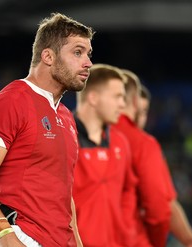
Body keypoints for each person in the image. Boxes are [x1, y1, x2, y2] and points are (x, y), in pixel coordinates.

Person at [0, 13, 94, 247]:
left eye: (88, 54)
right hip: (19, 237)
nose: (88, 63)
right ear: (48, 56)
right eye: (78, 52)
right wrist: (5, 235)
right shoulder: (11, 101)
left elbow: (61, 192)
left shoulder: (65, 116)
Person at [114, 69, 192, 247]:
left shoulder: (82, 134)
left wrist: (189, 239)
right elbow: (160, 208)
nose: (140, 118)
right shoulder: (143, 144)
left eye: (145, 112)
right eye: (140, 110)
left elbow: (168, 204)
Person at [72, 64, 137, 247]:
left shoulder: (120, 143)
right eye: (117, 97)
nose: (122, 104)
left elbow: (129, 190)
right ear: (93, 98)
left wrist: (126, 230)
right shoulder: (61, 138)